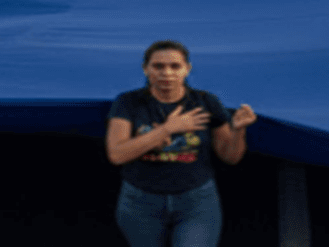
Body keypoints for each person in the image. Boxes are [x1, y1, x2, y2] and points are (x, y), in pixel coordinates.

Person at [105, 40, 256, 247]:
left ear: (187, 69)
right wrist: (167, 129)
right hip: (140, 202)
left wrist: (239, 130)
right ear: (145, 69)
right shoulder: (128, 102)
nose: (166, 73)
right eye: (158, 66)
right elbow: (116, 154)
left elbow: (230, 157)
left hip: (196, 202)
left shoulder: (205, 102)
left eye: (175, 66)